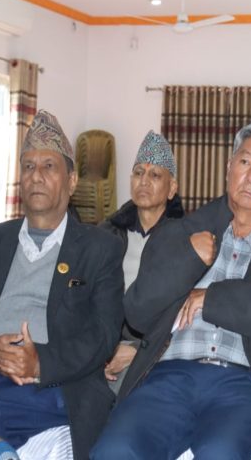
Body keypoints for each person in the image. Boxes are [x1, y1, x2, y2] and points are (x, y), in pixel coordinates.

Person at [91, 122, 251, 459]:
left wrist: (212, 298)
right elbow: (137, 311)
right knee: (114, 451)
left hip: (244, 383)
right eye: (244, 162)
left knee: (220, 453)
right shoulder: (179, 233)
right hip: (169, 375)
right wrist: (188, 259)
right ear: (228, 168)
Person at [0, 110, 124, 460]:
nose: (36, 176)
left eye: (49, 166)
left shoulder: (99, 247)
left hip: (48, 386)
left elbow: (103, 334)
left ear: (71, 181)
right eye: (28, 166)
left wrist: (38, 362)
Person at [99, 130, 184, 392]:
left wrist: (138, 350)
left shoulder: (187, 241)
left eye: (155, 175)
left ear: (171, 188)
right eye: (138, 173)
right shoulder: (105, 234)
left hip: (158, 352)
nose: (144, 181)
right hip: (103, 345)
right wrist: (103, 349)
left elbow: (186, 315)